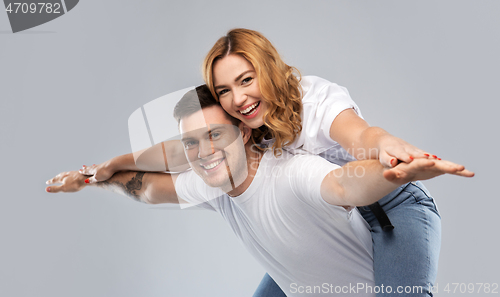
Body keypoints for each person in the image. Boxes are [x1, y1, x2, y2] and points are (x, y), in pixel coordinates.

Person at [76, 29, 467, 296]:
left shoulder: (314, 100)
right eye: (224, 90)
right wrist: (113, 165)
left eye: (247, 80)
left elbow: (359, 135)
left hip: (390, 203)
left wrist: (386, 147)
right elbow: (183, 148)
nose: (238, 99)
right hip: (326, 219)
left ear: (267, 70)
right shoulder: (240, 126)